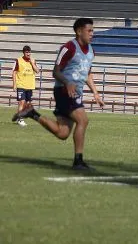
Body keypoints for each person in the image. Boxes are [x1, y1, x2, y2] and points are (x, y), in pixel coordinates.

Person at [12, 17, 105, 169]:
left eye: (92, 30)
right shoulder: (69, 48)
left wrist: (95, 93)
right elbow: (55, 72)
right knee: (83, 120)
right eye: (89, 30)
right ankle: (78, 161)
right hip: (63, 91)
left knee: (62, 133)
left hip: (76, 93)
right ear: (79, 31)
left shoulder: (91, 52)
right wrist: (67, 82)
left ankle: (32, 113)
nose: (92, 33)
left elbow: (87, 73)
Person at [12, 45, 41, 127]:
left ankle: (18, 117)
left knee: (27, 104)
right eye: (26, 52)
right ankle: (20, 119)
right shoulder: (18, 60)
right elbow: (14, 72)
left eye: (29, 52)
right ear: (24, 53)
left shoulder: (33, 60)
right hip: (21, 85)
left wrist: (32, 63)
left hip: (30, 86)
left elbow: (37, 71)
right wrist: (14, 84)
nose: (28, 54)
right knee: (22, 102)